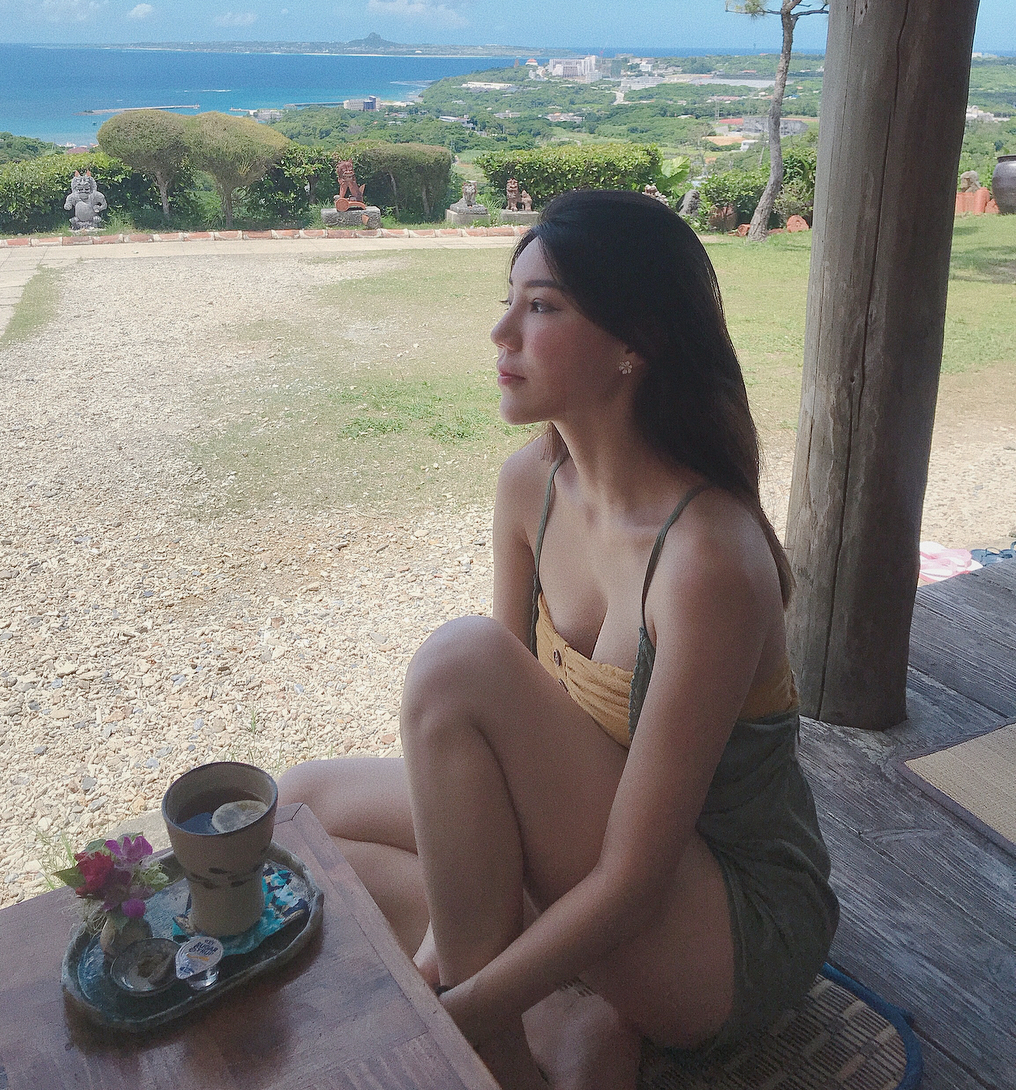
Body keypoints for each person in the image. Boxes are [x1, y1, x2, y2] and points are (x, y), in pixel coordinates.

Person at [278, 191, 838, 1090]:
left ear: (635, 342)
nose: (501, 332)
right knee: (297, 809)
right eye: (510, 300)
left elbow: (635, 878)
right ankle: (571, 1010)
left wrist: (453, 1013)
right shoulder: (529, 486)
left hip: (720, 927)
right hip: (596, 859)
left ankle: (501, 1051)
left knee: (458, 663)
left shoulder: (708, 560)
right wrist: (455, 938)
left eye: (540, 307)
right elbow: (491, 753)